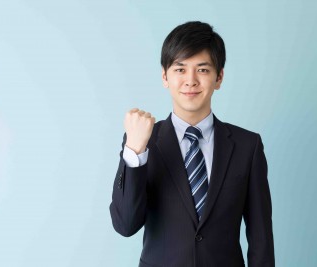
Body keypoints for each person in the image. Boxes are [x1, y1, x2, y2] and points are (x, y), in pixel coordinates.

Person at [109, 21, 275, 267]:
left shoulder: (247, 146)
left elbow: (261, 238)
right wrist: (135, 151)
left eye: (203, 70)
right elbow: (125, 225)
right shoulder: (143, 141)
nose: (191, 80)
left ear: (219, 78)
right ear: (165, 76)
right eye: (180, 69)